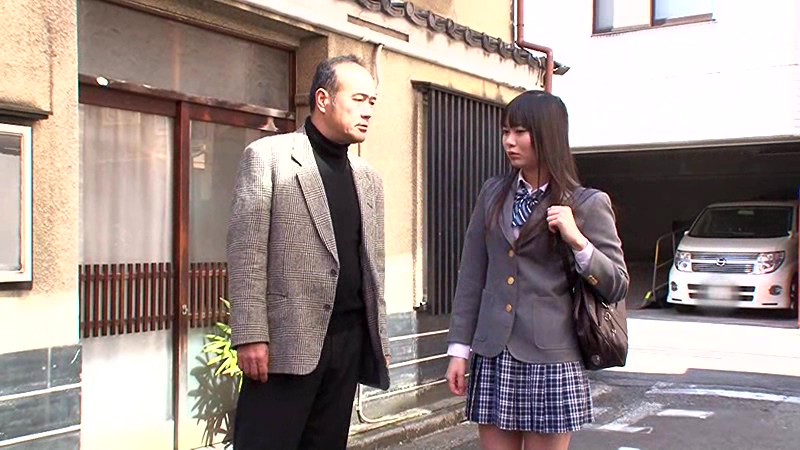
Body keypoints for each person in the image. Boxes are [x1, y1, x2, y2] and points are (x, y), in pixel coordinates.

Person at [445, 90, 629, 450]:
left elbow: (617, 284)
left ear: (548, 135)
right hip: (494, 352)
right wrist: (459, 349)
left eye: (520, 132)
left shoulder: (587, 203)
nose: (509, 142)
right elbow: (471, 275)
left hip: (551, 355)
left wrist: (578, 241)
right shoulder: (493, 193)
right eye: (505, 132)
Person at [226, 55, 390, 450]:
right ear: (323, 99)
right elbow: (246, 253)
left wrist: (377, 337)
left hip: (348, 340)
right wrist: (250, 335)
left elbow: (374, 266)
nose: (368, 111)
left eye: (372, 102)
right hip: (285, 341)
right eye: (359, 99)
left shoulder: (369, 179)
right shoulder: (269, 157)